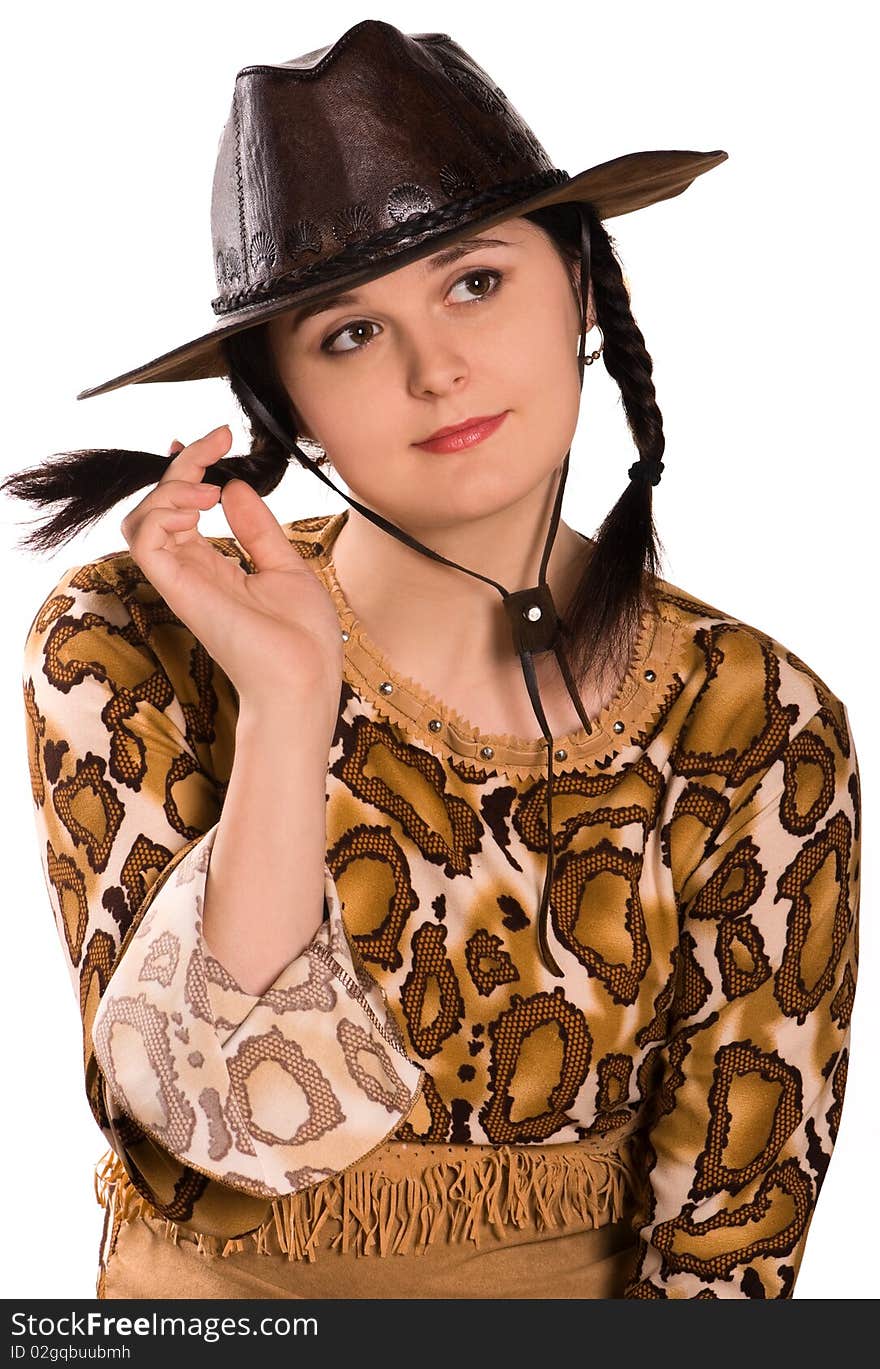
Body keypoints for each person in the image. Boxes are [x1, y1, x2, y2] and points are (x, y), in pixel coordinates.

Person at [7, 20, 860, 1300]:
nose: (435, 368)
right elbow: (208, 1143)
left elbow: (736, 1234)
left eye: (473, 283)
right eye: (348, 334)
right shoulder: (128, 645)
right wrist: (290, 702)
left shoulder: (754, 721)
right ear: (284, 403)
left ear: (583, 284)